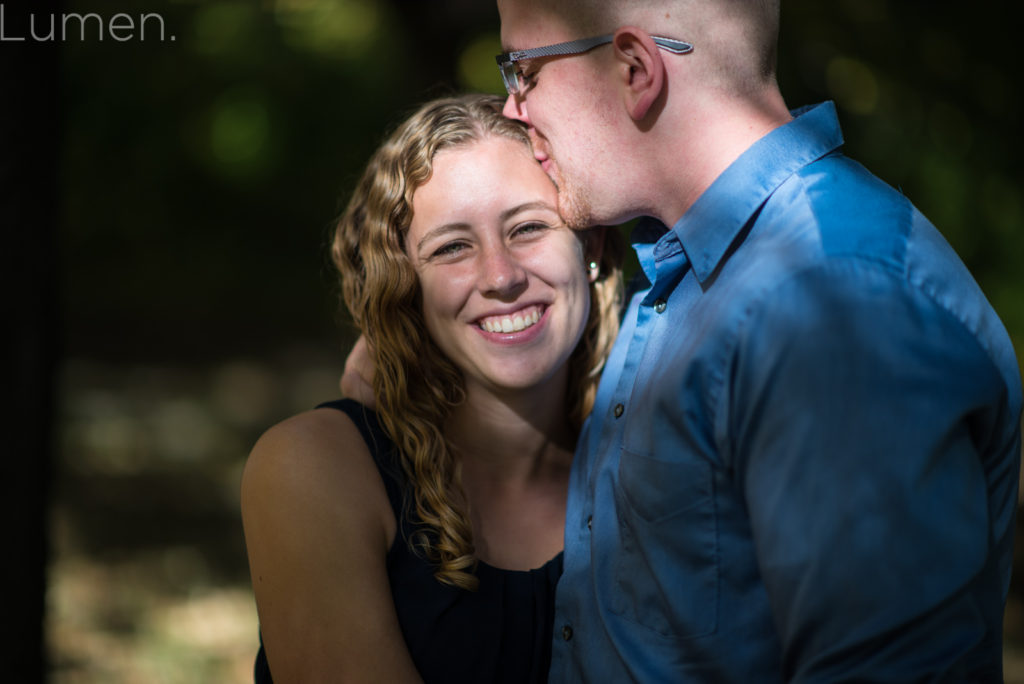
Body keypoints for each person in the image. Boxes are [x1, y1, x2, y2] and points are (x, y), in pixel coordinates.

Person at [488, 0, 1022, 681]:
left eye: (523, 70)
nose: (511, 107)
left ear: (633, 69)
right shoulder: (692, 265)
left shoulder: (835, 301)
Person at [240, 93, 622, 683]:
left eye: (527, 228)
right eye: (451, 248)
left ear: (591, 247)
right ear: (404, 283)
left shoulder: (653, 469)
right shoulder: (315, 468)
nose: (501, 277)